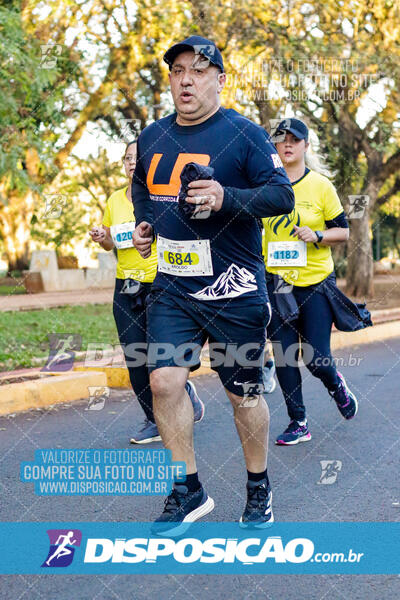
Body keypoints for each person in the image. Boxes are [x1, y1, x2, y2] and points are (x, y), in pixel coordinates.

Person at [132, 35, 295, 533]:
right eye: (178, 70)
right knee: (163, 381)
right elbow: (142, 186)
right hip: (173, 286)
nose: (186, 79)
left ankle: (258, 486)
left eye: (199, 70)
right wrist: (145, 225)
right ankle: (187, 490)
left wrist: (227, 198)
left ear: (220, 80)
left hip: (235, 287)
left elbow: (281, 196)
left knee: (243, 394)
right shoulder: (153, 136)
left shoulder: (243, 134)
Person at [263, 118, 371, 446]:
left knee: (316, 357)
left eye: (295, 139)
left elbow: (345, 230)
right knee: (283, 355)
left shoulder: (320, 185)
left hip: (315, 282)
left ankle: (336, 385)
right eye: (281, 139)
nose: (288, 144)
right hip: (277, 283)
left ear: (306, 146)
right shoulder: (264, 187)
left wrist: (318, 234)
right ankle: (298, 422)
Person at [89, 141, 204, 444]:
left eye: (136, 158)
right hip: (126, 284)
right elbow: (111, 242)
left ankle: (181, 389)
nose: (131, 163)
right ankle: (153, 419)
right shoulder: (114, 200)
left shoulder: (159, 196)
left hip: (159, 283)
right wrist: (103, 237)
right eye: (127, 158)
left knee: (160, 354)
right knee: (134, 354)